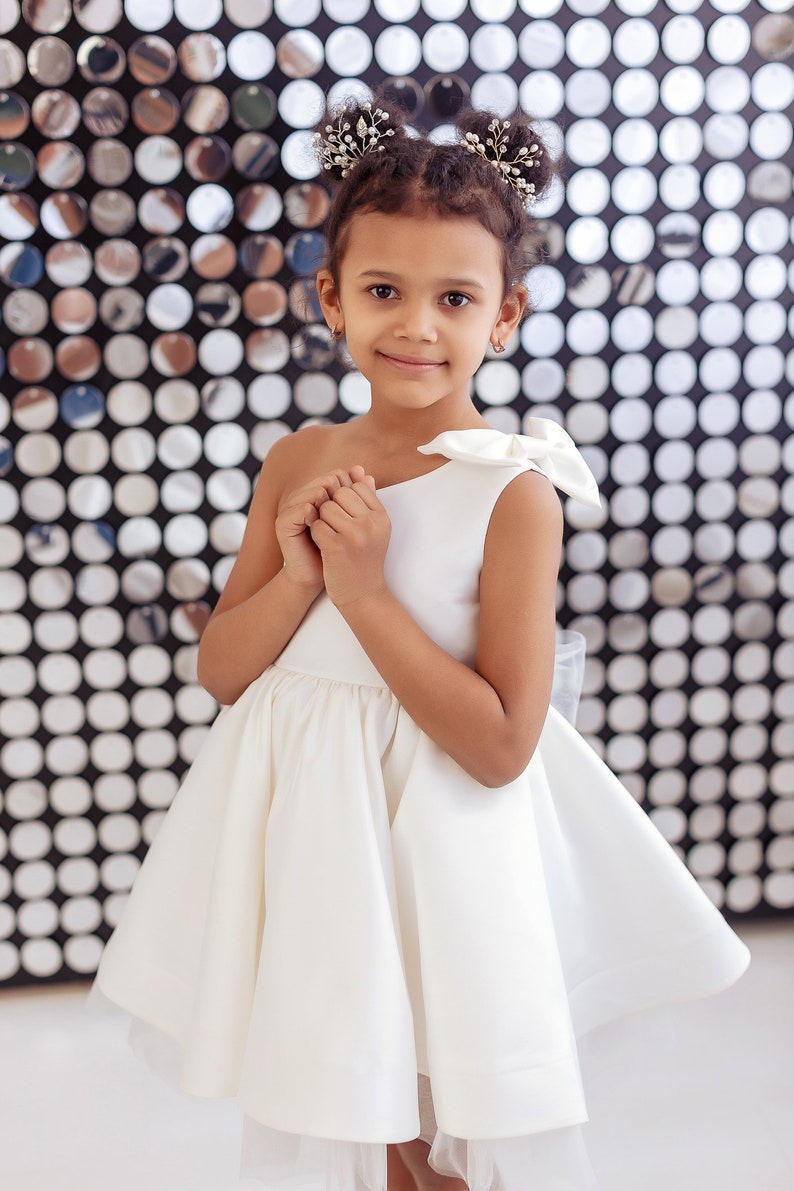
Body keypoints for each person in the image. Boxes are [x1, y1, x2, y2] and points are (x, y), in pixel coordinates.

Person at [90, 96, 750, 1191]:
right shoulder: (298, 459)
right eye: (384, 291)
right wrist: (301, 576)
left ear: (504, 314)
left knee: (446, 1121)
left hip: (436, 850)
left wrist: (363, 595)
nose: (415, 326)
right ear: (329, 300)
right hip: (314, 845)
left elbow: (499, 745)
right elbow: (223, 671)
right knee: (352, 1100)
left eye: (454, 298)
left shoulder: (511, 493)